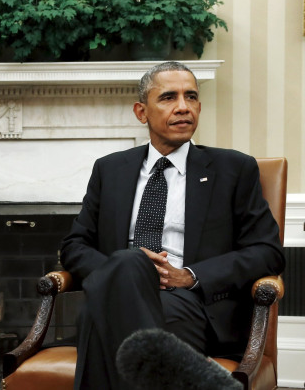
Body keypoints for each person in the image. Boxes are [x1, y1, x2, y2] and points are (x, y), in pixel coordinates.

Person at [60, 61, 285, 389]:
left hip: (191, 304)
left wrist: (190, 277)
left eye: (191, 97)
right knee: (128, 261)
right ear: (141, 112)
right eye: (168, 98)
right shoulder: (110, 170)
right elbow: (74, 247)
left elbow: (268, 252)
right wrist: (126, 270)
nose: (183, 107)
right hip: (119, 296)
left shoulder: (233, 169)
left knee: (110, 321)